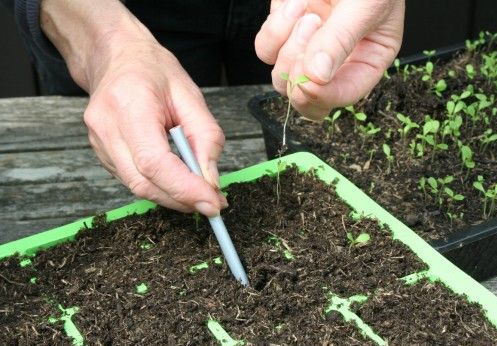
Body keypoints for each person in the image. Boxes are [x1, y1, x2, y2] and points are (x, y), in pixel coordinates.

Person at [4, 0, 404, 217]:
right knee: (142, 145)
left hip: (299, 9)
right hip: (125, 11)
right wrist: (106, 43)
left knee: (307, 87)